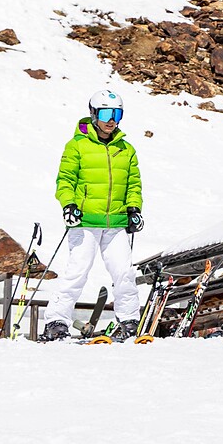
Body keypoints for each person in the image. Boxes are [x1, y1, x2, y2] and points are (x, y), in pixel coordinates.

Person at [45, 88, 144, 341]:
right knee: (77, 271)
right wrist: (69, 205)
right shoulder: (77, 145)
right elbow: (65, 181)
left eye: (117, 114)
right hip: (85, 221)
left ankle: (129, 321)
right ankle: (56, 321)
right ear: (93, 114)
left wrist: (134, 209)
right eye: (106, 114)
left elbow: (133, 184)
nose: (112, 121)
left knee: (124, 273)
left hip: (116, 222)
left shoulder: (126, 149)